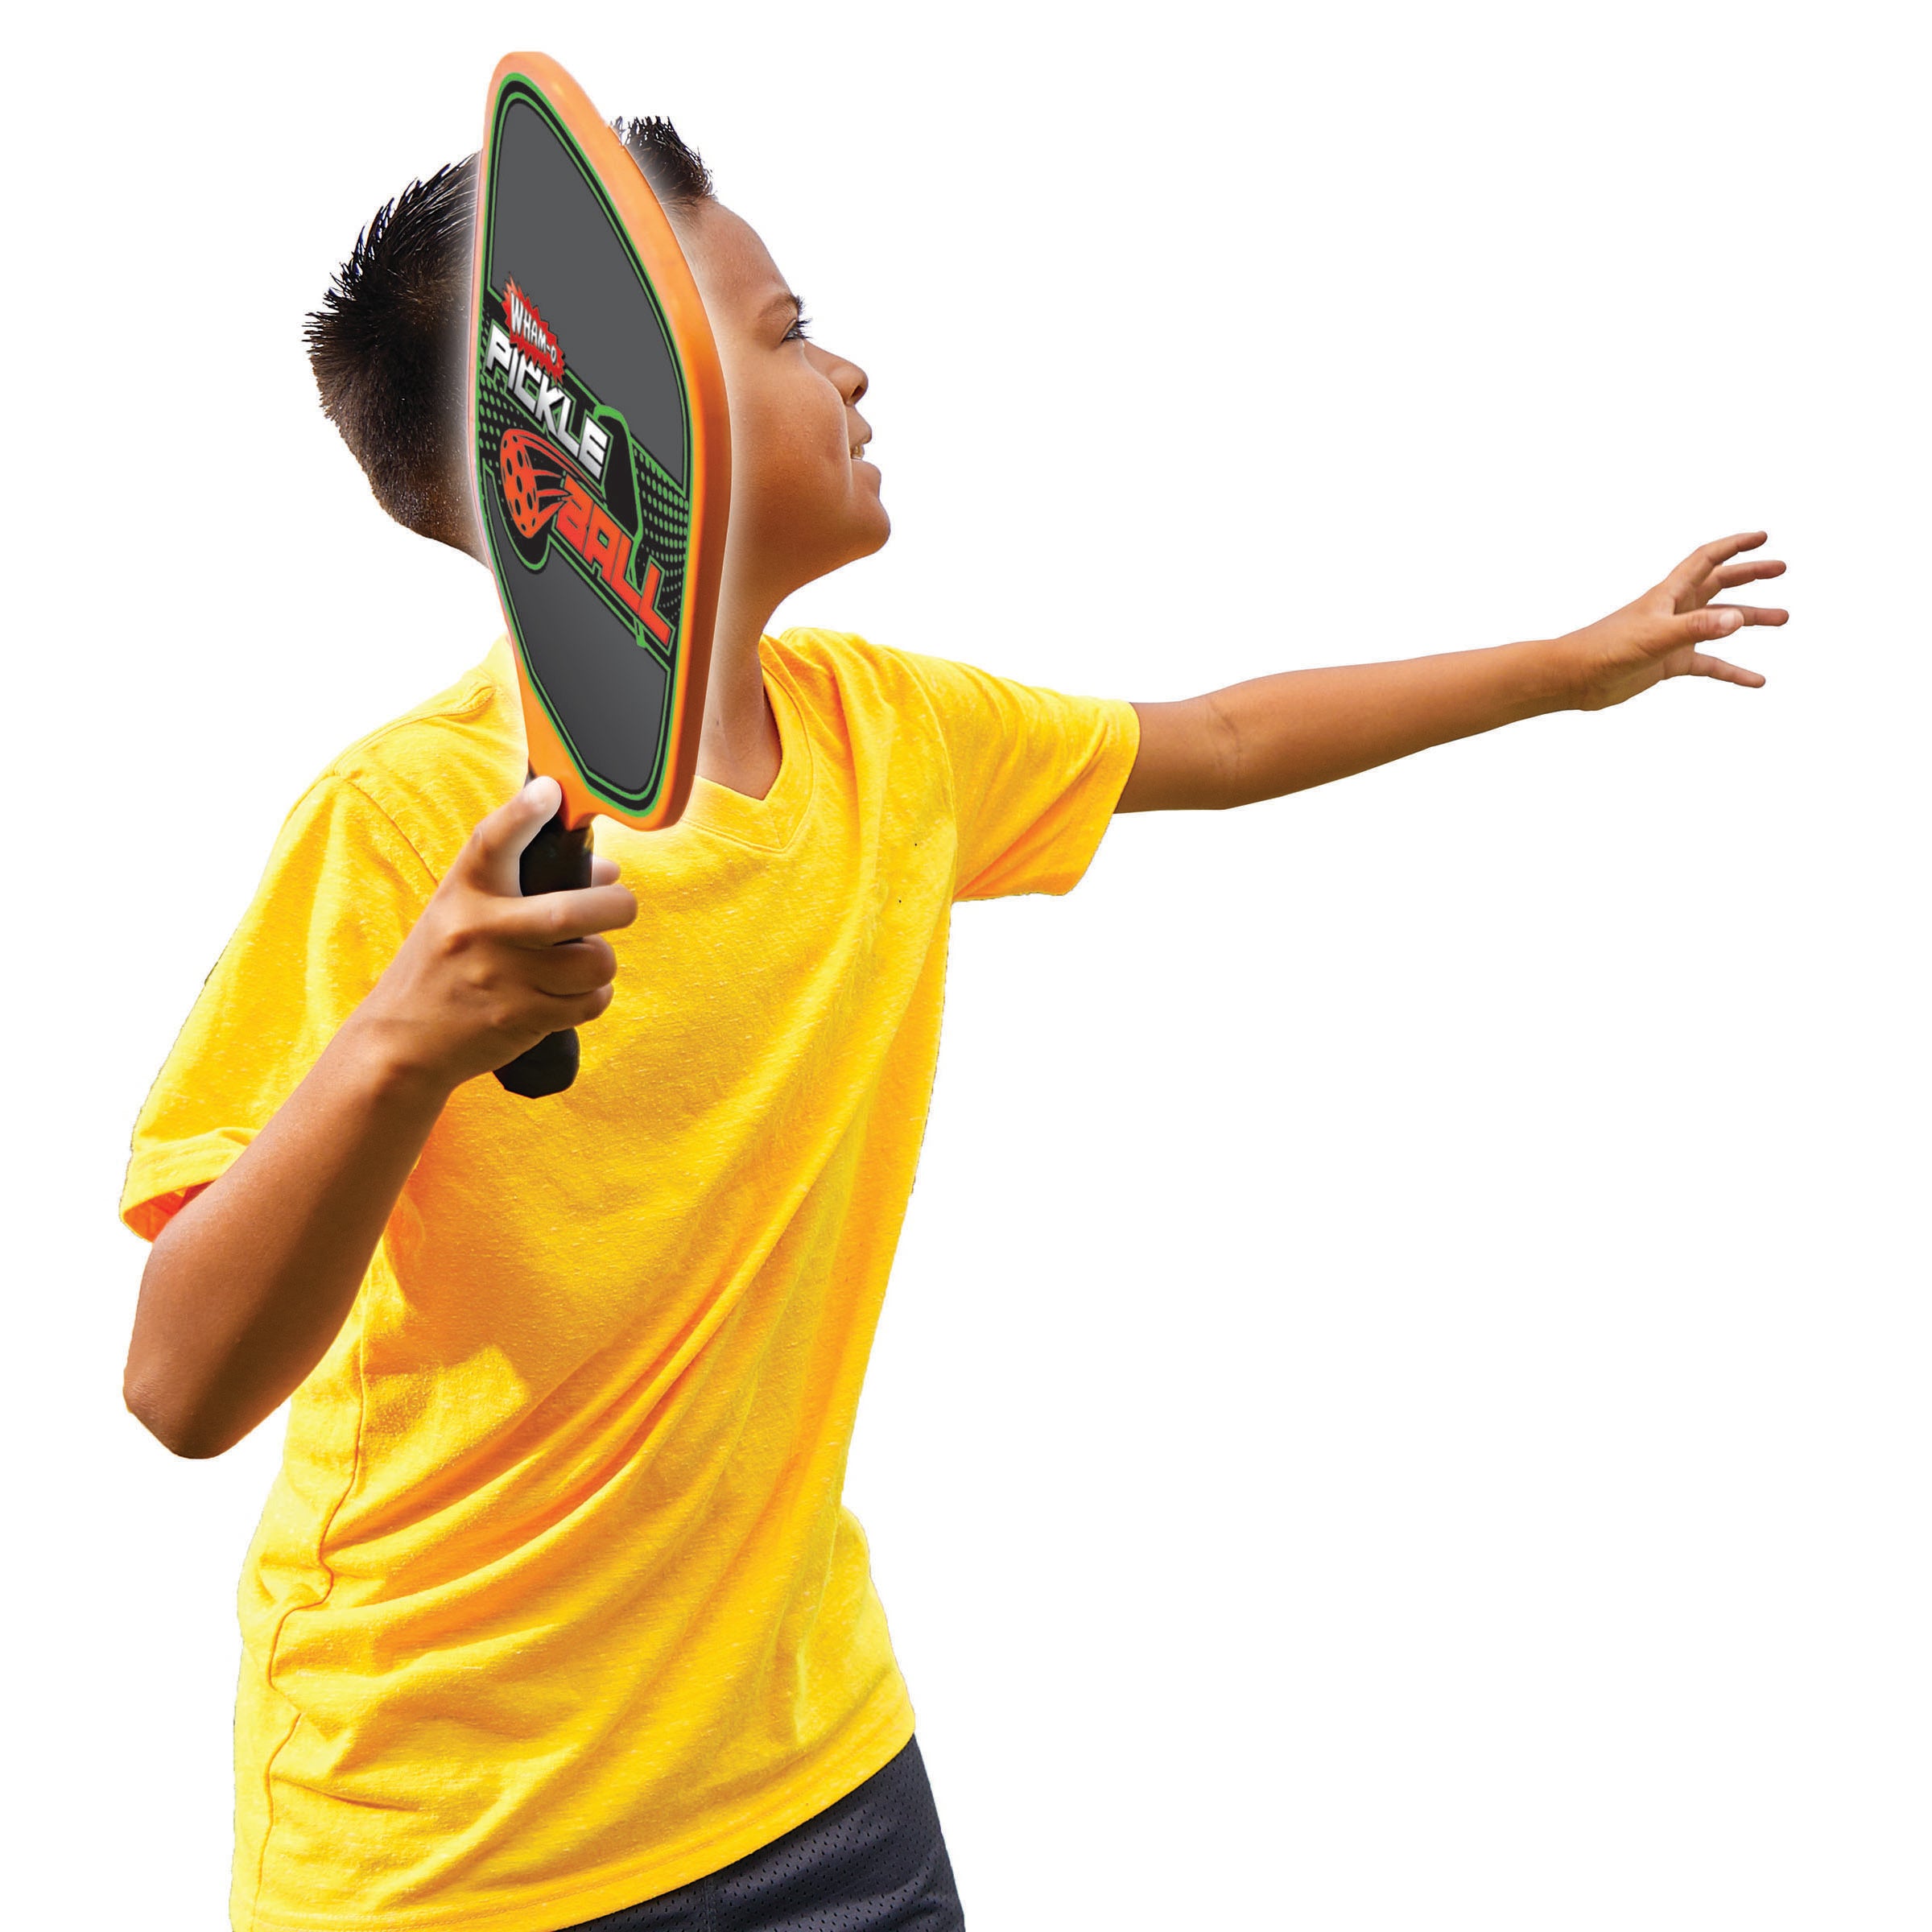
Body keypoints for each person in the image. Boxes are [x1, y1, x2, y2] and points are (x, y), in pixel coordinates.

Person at [120, 118, 1790, 1932]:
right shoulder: (404, 823)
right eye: (784, 330)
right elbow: (181, 1389)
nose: (848, 369)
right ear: (603, 433)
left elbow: (1221, 741)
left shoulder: (887, 738)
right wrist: (398, 1049)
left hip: (811, 1780)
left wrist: (1575, 665)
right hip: (446, 1849)